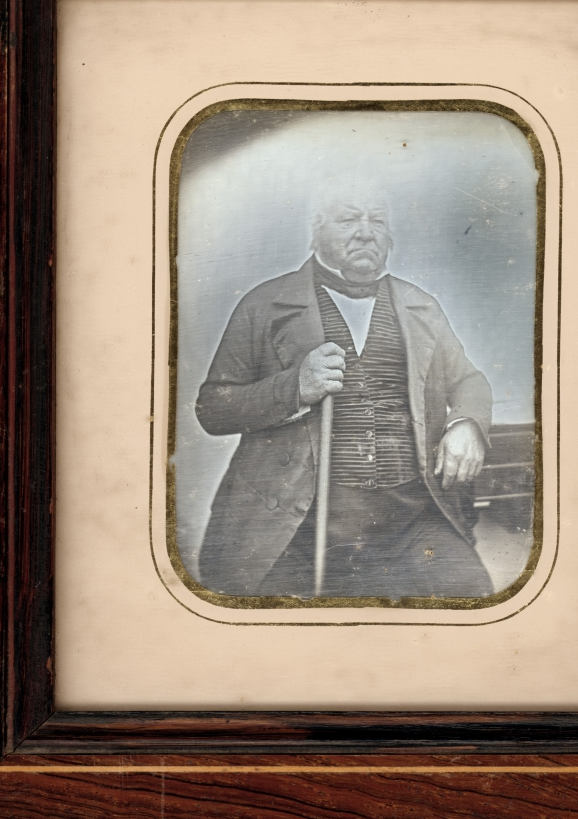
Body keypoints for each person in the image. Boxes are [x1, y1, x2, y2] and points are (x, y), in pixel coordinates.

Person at [195, 182, 494, 599]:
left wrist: (466, 425)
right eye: (349, 219)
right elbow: (213, 408)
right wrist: (294, 388)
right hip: (297, 523)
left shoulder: (421, 306)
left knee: (470, 596)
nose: (366, 232)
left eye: (378, 221)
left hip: (411, 520)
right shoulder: (264, 304)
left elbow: (469, 380)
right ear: (316, 229)